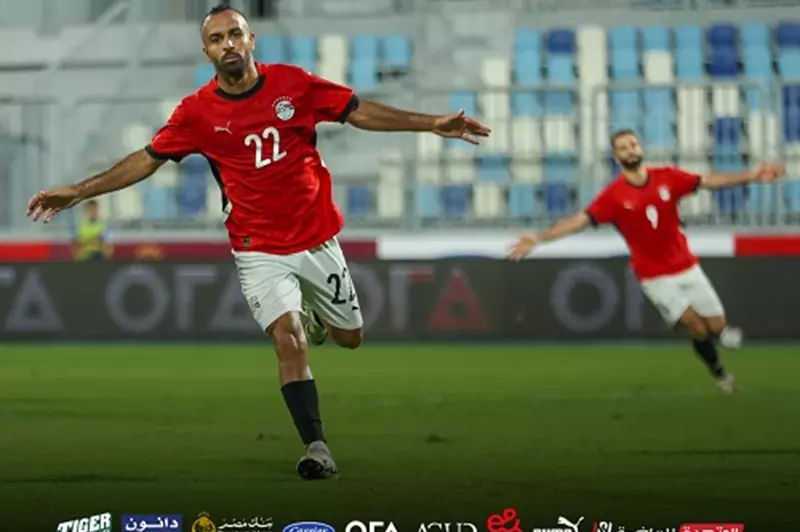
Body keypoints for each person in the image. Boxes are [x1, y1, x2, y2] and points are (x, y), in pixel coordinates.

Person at [26, 4, 491, 480]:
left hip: (315, 239)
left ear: (251, 40)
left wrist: (431, 122)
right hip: (257, 247)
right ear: (206, 53)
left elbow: (357, 111)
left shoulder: (294, 84)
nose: (227, 44)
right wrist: (79, 191)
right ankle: (317, 447)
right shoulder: (196, 112)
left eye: (234, 34)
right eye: (216, 39)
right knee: (288, 340)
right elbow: (147, 159)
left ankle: (317, 317)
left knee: (350, 338)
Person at [508, 129, 785, 393]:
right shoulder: (614, 196)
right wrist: (539, 238)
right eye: (622, 148)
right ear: (617, 157)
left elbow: (707, 181)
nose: (629, 150)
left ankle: (720, 338)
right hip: (654, 275)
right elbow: (579, 221)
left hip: (687, 266)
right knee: (695, 324)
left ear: (640, 148)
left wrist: (751, 175)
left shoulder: (667, 177)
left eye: (632, 145)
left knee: (716, 326)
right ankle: (721, 374)